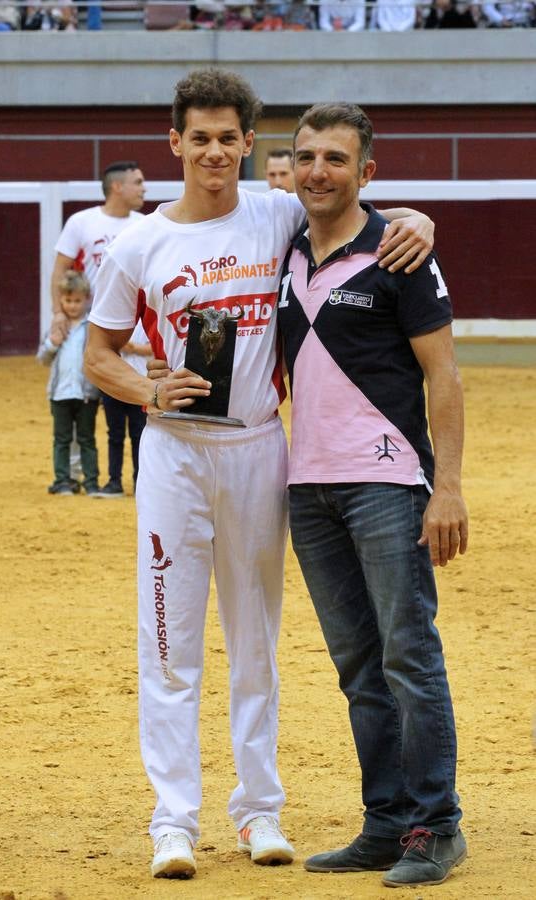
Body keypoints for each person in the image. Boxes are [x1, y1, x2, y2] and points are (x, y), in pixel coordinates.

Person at [84, 67, 435, 880]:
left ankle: (258, 811)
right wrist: (146, 389)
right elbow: (98, 353)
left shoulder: (277, 213)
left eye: (227, 138)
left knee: (256, 642)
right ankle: (173, 822)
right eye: (198, 138)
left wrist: (417, 218)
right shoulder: (137, 244)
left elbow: (360, 214)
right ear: (175, 143)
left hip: (257, 450)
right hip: (174, 454)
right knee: (169, 644)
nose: (213, 152)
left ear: (248, 143)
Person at [277, 102, 468, 888]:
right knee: (359, 666)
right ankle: (387, 823)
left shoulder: (399, 251)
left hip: (388, 483)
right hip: (308, 489)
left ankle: (437, 825)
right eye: (306, 157)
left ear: (367, 171)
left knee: (408, 656)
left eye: (336, 158)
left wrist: (446, 486)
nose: (318, 171)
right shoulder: (284, 249)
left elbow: (443, 376)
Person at [51, 160, 145, 481]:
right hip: (90, 327)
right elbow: (60, 270)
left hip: (133, 327)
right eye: (137, 182)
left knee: (129, 401)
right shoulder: (82, 222)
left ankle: (127, 474)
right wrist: (58, 313)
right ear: (117, 186)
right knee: (81, 397)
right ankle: (78, 470)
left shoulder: (145, 224)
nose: (144, 188)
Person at [38, 271, 100, 496]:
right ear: (61, 301)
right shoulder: (56, 327)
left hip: (86, 393)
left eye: (77, 301)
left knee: (87, 439)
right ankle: (63, 480)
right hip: (60, 393)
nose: (72, 306)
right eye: (68, 300)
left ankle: (91, 482)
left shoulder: (92, 327)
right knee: (61, 439)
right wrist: (52, 344)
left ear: (86, 299)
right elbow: (43, 359)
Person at [95, 320, 152, 498]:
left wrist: (132, 347)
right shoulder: (114, 319)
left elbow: (154, 348)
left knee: (138, 435)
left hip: (139, 385)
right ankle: (114, 481)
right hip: (115, 384)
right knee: (116, 434)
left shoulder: (146, 319)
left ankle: (139, 482)